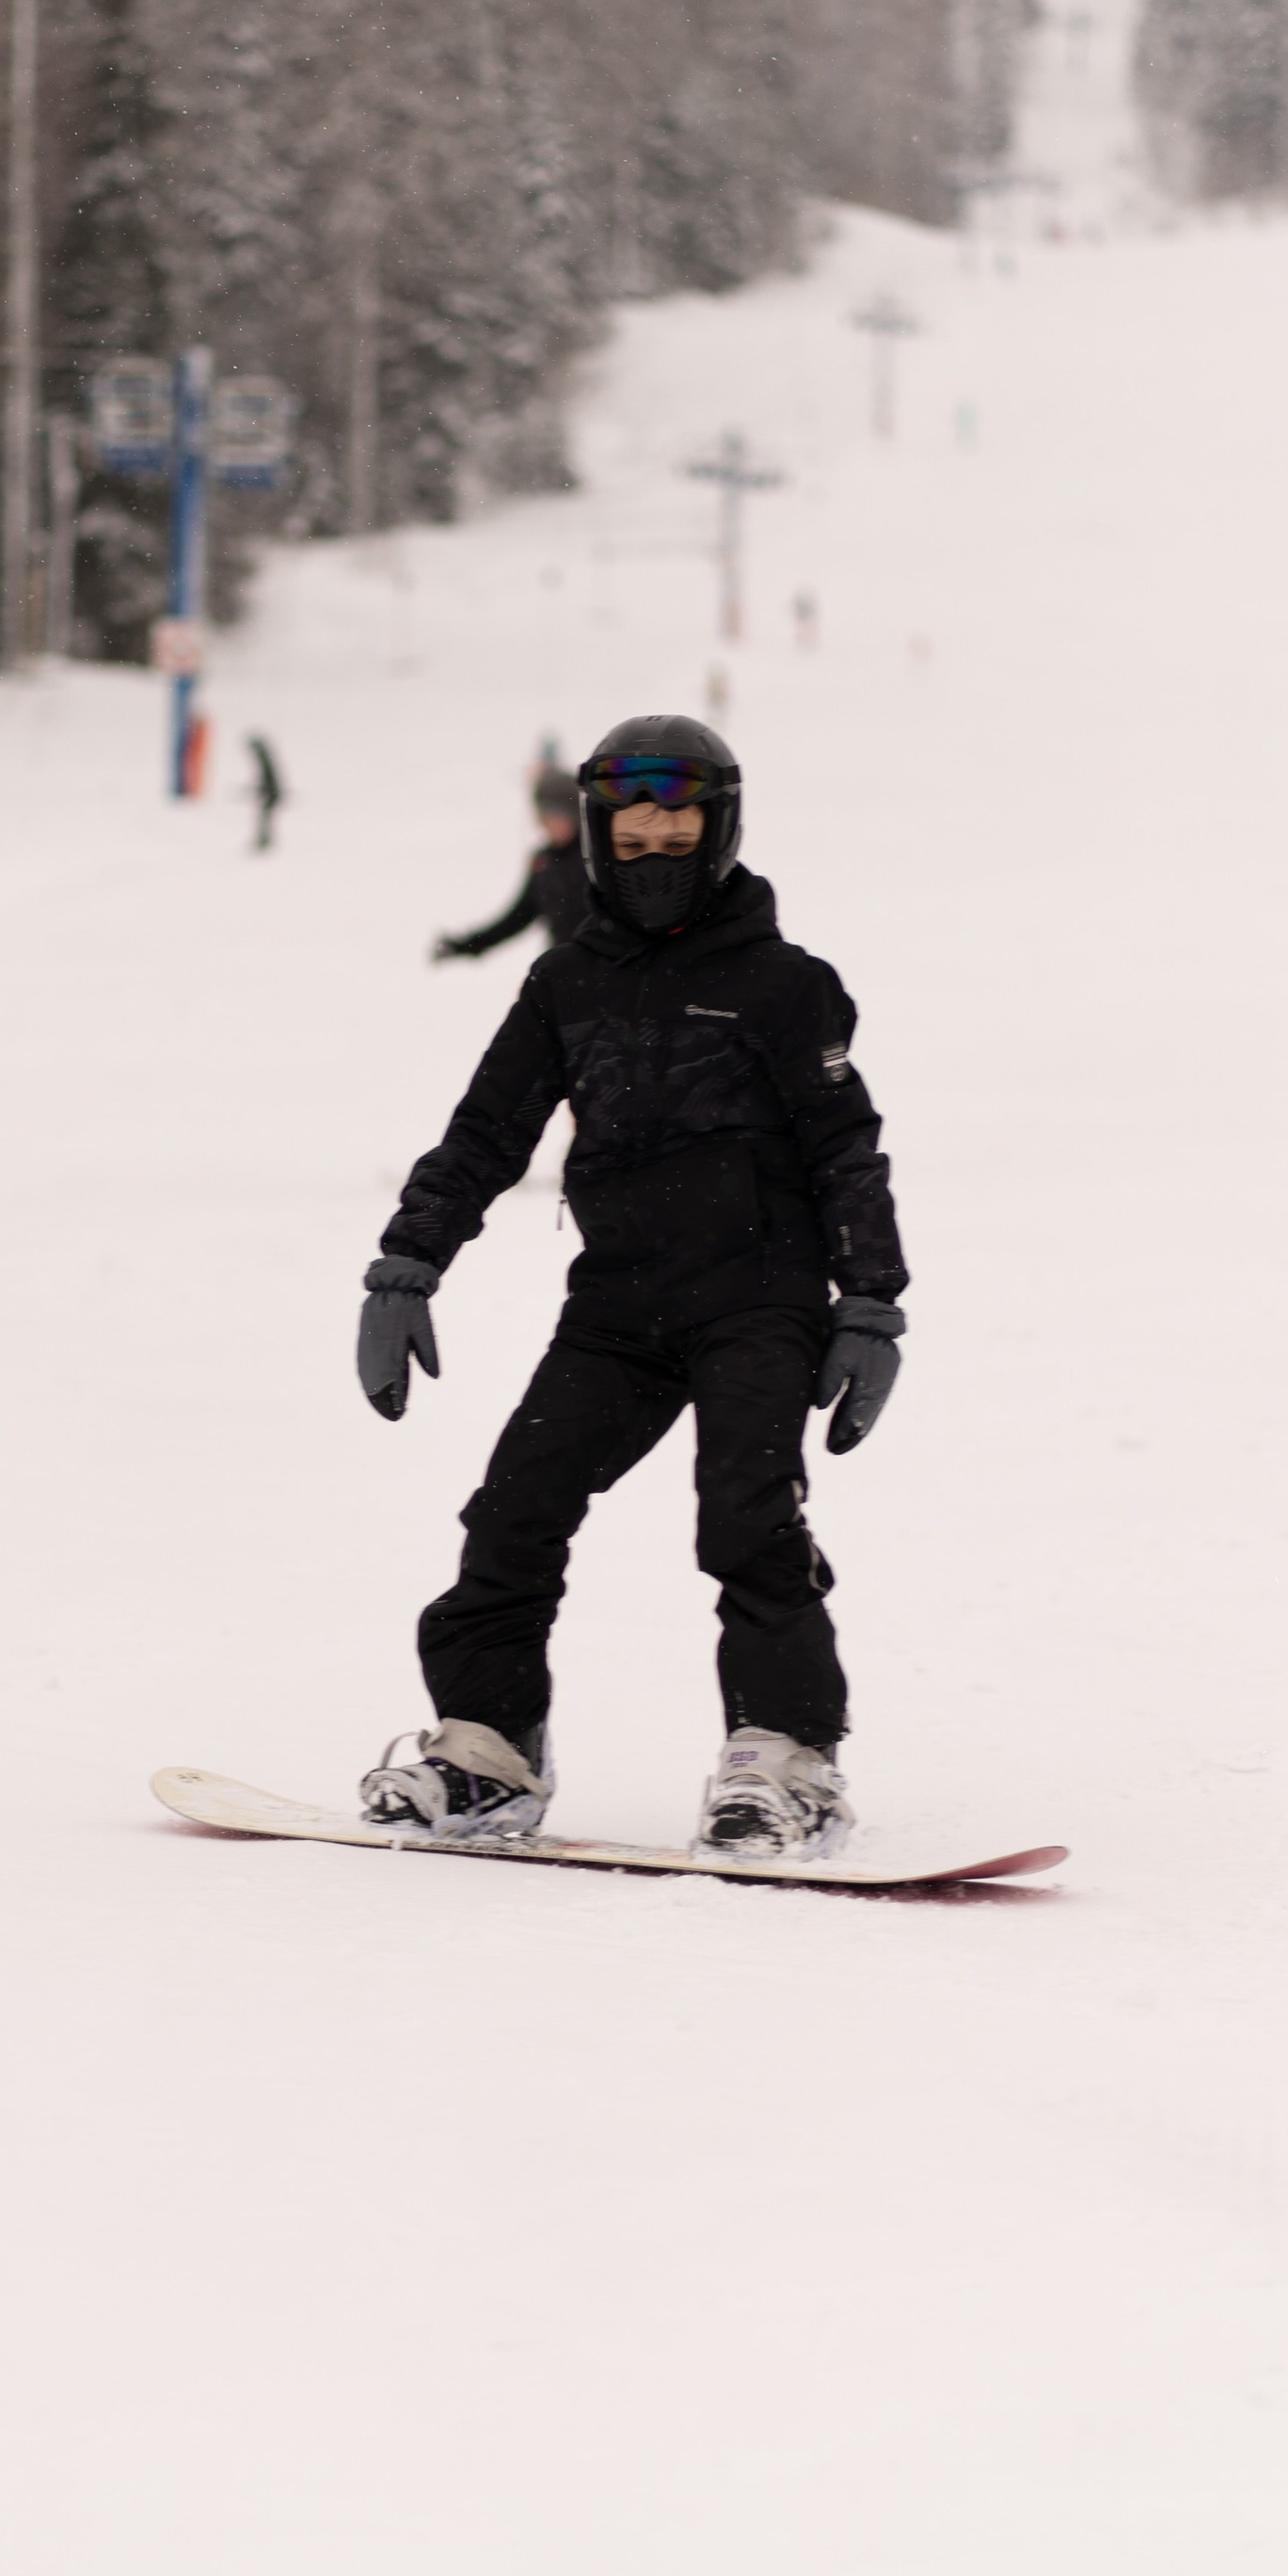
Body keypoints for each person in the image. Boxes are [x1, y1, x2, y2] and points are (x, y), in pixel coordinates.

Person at [355, 715, 908, 1863]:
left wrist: (868, 1301)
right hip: (617, 1305)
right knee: (515, 1511)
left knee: (747, 1519)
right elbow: (485, 1134)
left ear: (720, 826)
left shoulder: (783, 985)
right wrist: (407, 1264)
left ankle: (784, 1759)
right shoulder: (567, 984)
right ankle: (487, 1753)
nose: (657, 838)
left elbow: (846, 1148)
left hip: (758, 1298)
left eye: (682, 816)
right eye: (635, 820)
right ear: (601, 835)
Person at [431, 758, 585, 962]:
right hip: (563, 967)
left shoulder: (596, 856)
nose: (549, 824)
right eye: (544, 816)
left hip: (605, 968)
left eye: (557, 815)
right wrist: (469, 944)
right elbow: (518, 917)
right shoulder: (543, 861)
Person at [247, 731, 283, 854]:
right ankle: (264, 839)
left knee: (265, 817)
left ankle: (264, 840)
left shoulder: (263, 758)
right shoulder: (264, 757)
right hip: (271, 792)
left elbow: (268, 776)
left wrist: (266, 789)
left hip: (271, 793)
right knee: (264, 817)